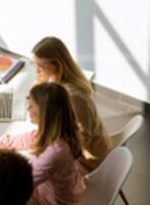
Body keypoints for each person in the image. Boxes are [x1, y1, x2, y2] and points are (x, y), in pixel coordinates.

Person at [32, 36, 111, 172]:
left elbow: (83, 139)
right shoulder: (59, 82)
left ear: (57, 65)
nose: (37, 71)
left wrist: (50, 148)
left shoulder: (73, 96)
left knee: (36, 166)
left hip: (89, 160)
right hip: (89, 146)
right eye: (35, 65)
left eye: (41, 66)